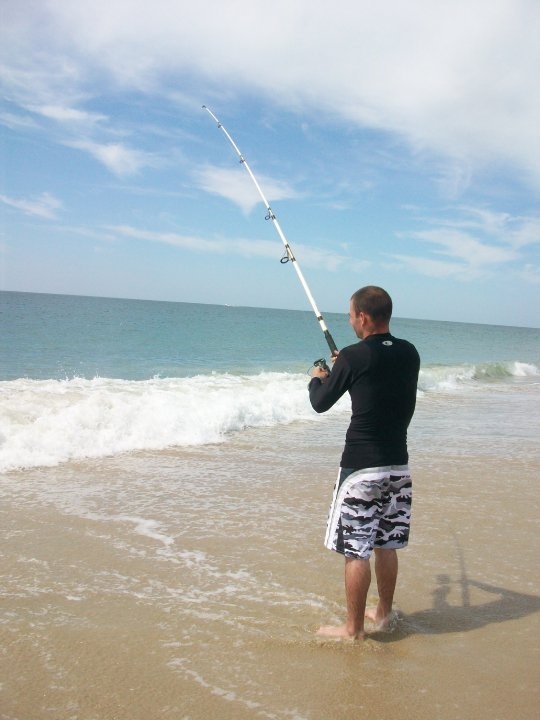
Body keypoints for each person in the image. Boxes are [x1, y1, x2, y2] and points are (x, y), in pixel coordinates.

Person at [308, 286, 420, 639]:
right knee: (386, 544)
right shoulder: (410, 353)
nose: (351, 321)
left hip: (361, 469)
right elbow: (380, 377)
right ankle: (383, 614)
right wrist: (348, 362)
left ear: (363, 317)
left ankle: (353, 629)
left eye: (351, 315)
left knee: (356, 550)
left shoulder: (354, 358)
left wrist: (318, 376)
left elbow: (321, 402)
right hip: (398, 467)